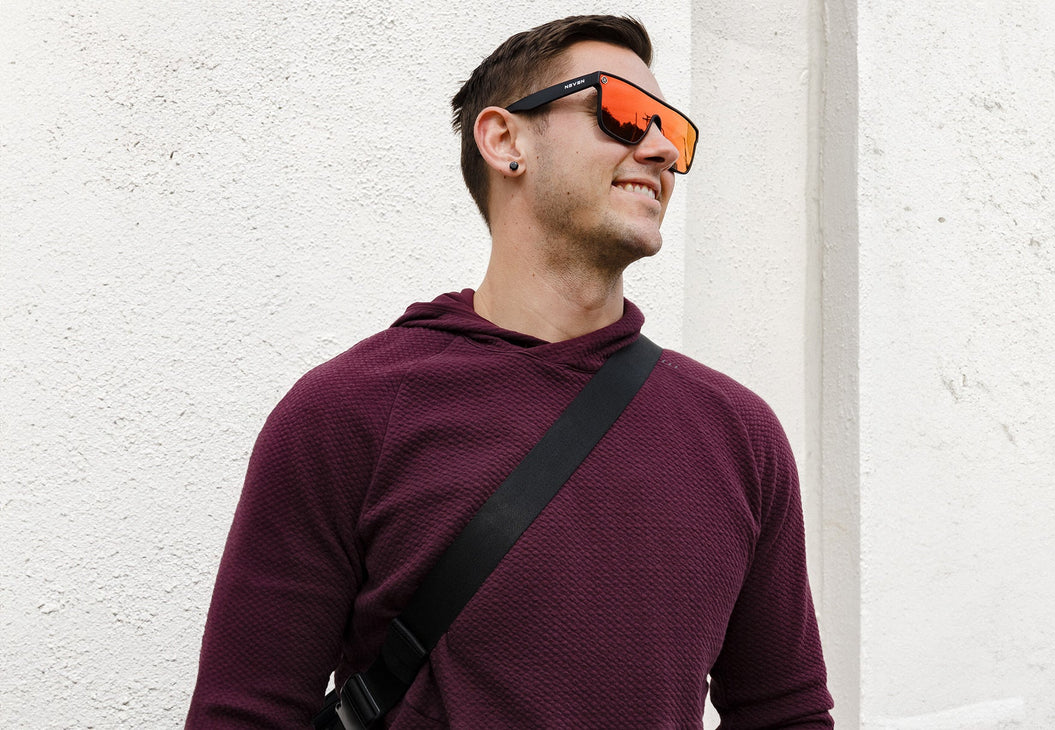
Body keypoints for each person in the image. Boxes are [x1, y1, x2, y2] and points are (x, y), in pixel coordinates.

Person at [185, 14, 833, 728]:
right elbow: (245, 714)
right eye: (621, 114)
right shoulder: (346, 413)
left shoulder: (738, 434)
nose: (656, 149)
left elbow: (785, 714)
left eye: (672, 133)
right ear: (505, 140)